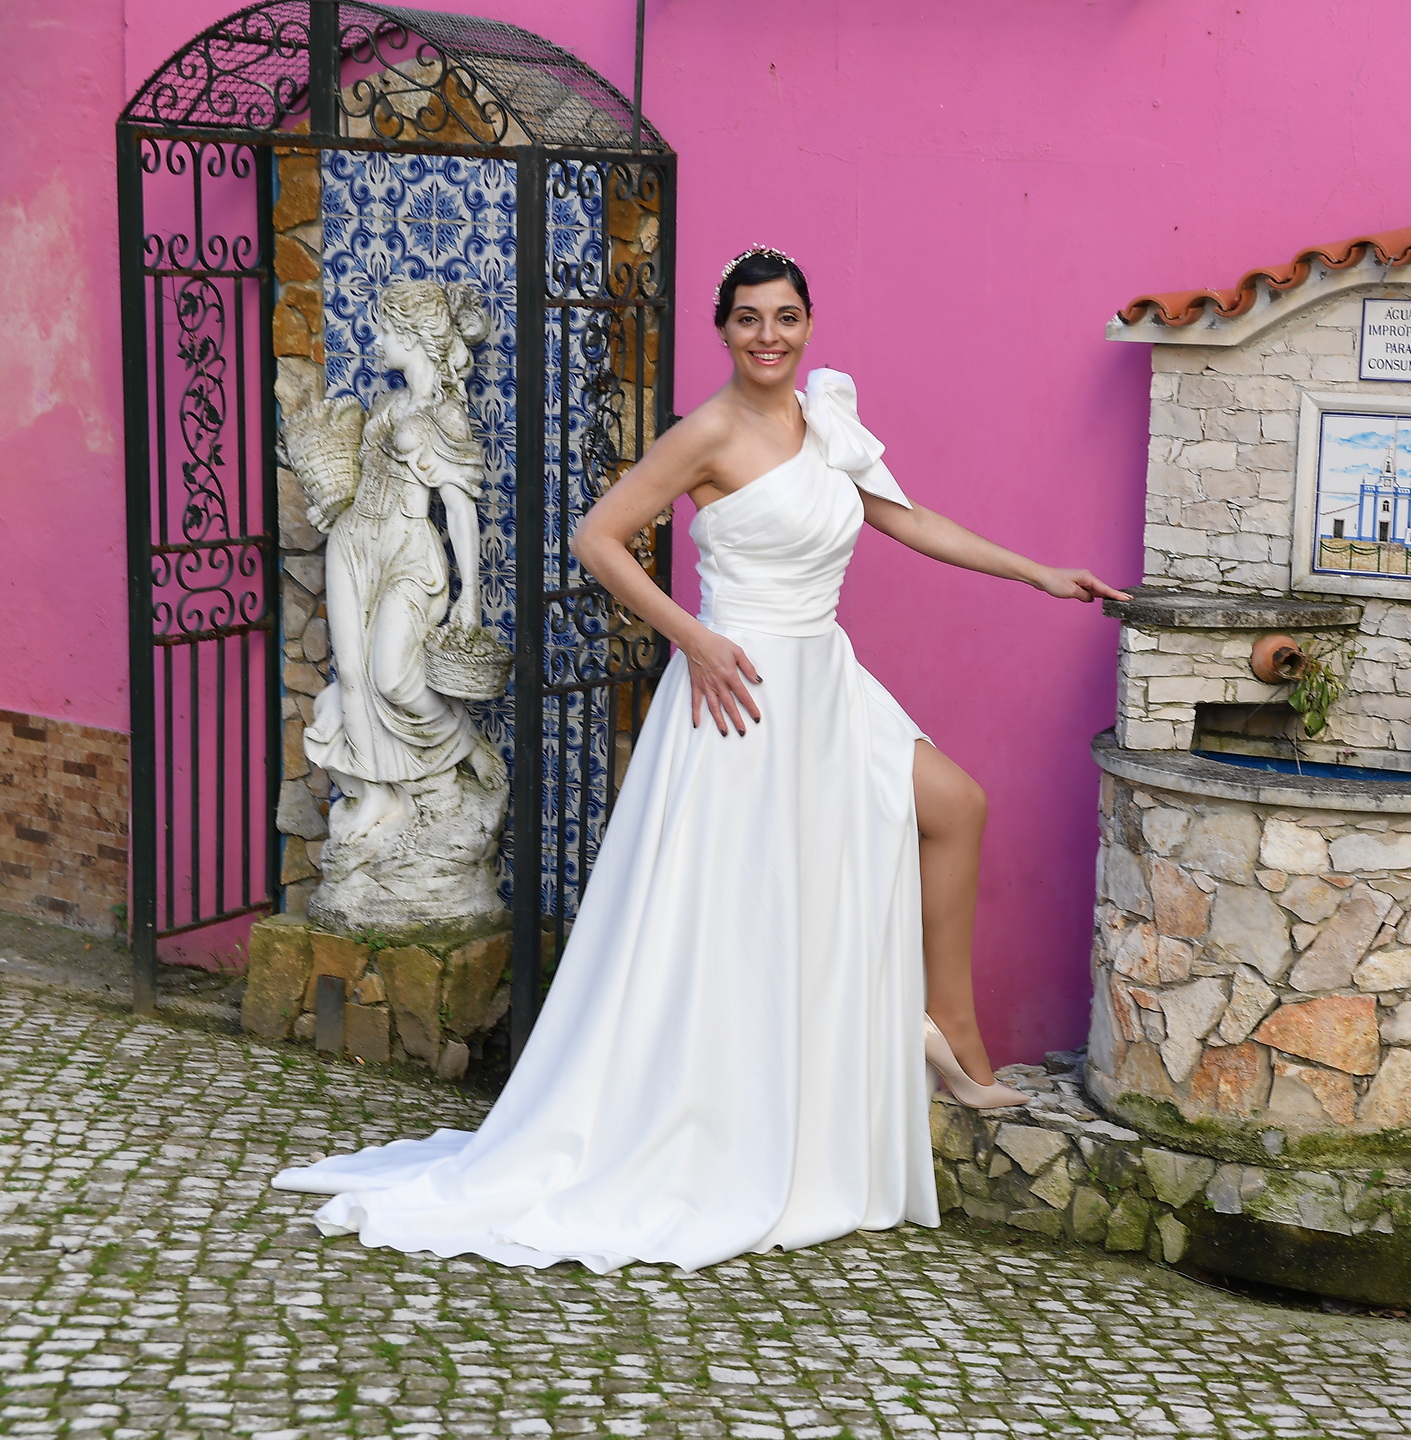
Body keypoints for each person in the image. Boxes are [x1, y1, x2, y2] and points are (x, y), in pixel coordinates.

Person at [272, 247, 1128, 1271]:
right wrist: (696, 638)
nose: (769, 335)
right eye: (749, 318)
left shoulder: (825, 419)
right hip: (740, 692)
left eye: (786, 317)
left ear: (808, 324)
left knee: (956, 805)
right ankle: (729, 1108)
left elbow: (902, 519)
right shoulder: (707, 432)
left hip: (827, 680)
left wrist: (1037, 573)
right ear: (723, 328)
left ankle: (945, 1022)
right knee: (739, 906)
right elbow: (597, 538)